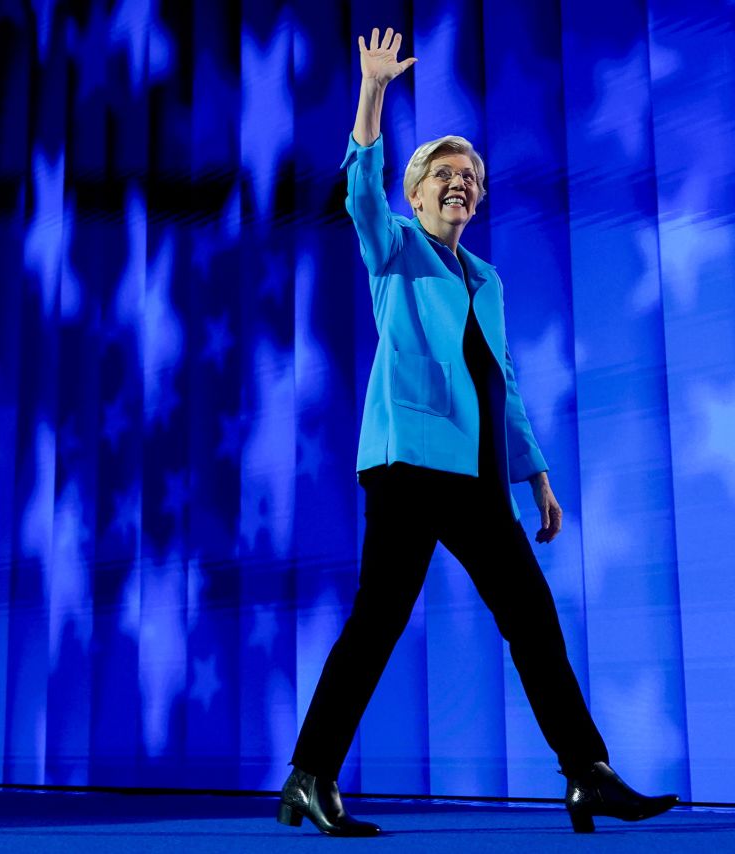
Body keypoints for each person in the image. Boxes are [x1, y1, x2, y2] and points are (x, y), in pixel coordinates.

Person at [276, 26, 679, 836]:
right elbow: (360, 192)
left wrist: (536, 476)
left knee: (533, 618)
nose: (460, 184)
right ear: (417, 194)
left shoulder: (485, 279)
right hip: (407, 467)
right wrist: (375, 91)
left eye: (472, 177)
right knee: (379, 618)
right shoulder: (394, 250)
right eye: (444, 175)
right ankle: (308, 778)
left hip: (478, 477)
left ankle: (587, 774)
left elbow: (502, 385)